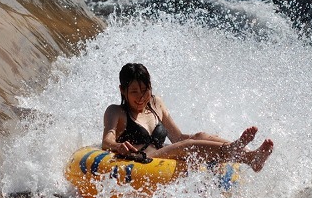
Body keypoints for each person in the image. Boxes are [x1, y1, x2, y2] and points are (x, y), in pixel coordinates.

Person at [102, 63, 274, 172]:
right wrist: (118, 146)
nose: (141, 97)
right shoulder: (116, 112)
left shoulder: (156, 104)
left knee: (198, 136)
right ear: (122, 90)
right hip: (144, 161)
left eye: (145, 90)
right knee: (188, 145)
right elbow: (107, 141)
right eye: (134, 92)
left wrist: (200, 137)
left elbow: (177, 137)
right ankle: (238, 151)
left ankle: (250, 156)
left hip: (165, 157)